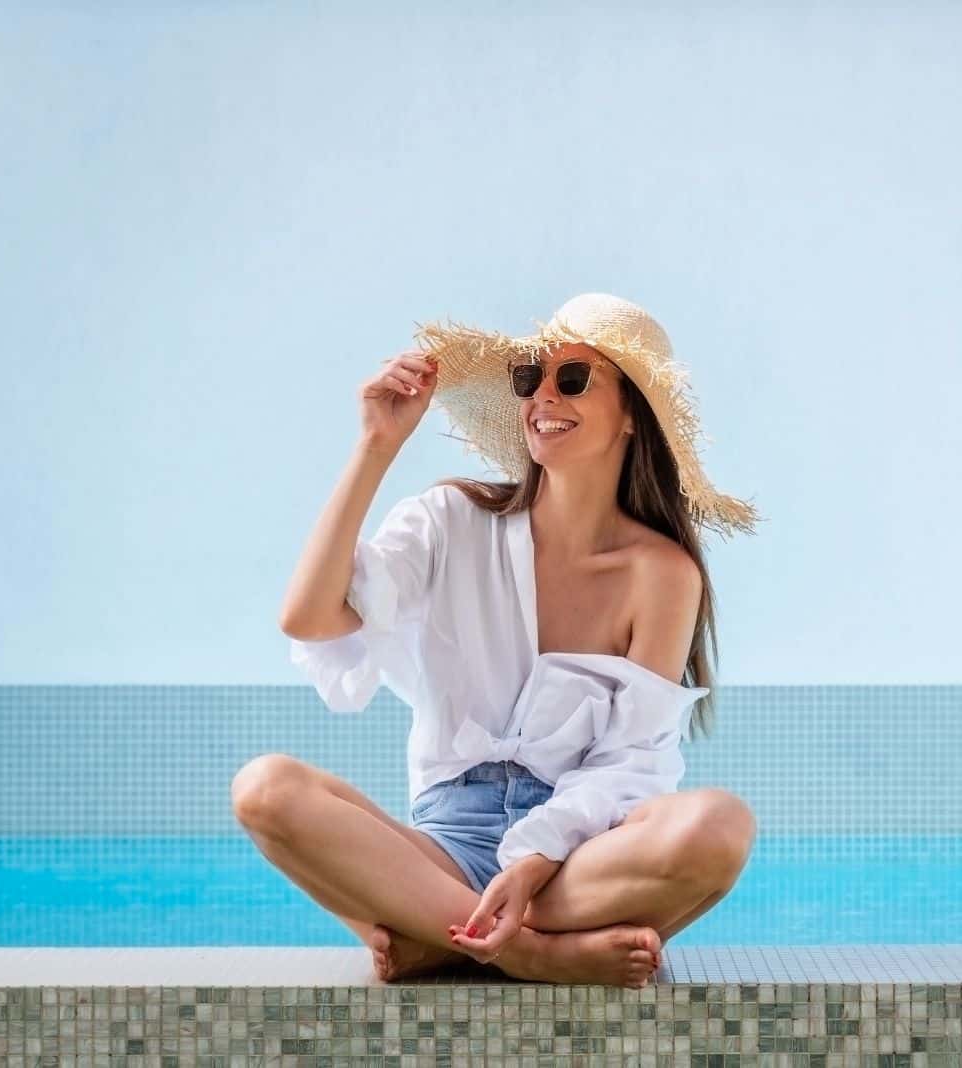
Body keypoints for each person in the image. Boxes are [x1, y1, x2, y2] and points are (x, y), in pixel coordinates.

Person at [232, 293, 762, 988]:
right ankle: (529, 954)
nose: (542, 396)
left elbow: (632, 762)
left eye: (572, 379)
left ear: (632, 413)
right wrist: (376, 446)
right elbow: (308, 616)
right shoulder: (450, 520)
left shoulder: (662, 574)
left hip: (577, 860)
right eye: (528, 379)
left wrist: (537, 855)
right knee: (265, 790)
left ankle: (437, 934)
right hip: (444, 847)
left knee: (719, 827)